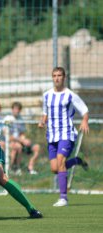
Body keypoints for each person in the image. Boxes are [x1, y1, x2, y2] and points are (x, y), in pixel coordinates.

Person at [39, 67, 89, 207]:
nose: (57, 78)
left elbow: (84, 110)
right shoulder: (47, 95)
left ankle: (63, 197)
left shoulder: (70, 95)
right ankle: (76, 161)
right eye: (54, 75)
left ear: (64, 77)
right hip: (52, 135)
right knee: (55, 168)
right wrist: (42, 121)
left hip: (66, 134)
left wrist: (84, 121)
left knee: (60, 162)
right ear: (52, 77)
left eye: (59, 75)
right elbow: (45, 113)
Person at [8, 102, 40, 175]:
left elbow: (22, 134)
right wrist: (21, 140)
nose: (17, 111)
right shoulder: (8, 119)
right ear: (12, 109)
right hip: (10, 142)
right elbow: (8, 136)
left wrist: (25, 140)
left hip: (19, 141)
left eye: (18, 109)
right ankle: (15, 168)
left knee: (36, 147)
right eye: (15, 109)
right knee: (18, 146)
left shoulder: (21, 119)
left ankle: (30, 168)